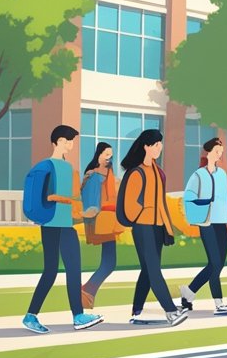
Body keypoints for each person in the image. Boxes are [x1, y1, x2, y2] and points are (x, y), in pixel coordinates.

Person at [21, 125, 104, 333]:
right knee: (50, 271)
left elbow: (71, 198)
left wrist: (82, 212)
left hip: (65, 225)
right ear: (57, 141)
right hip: (52, 224)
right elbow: (50, 196)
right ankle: (31, 316)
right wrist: (71, 201)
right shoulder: (49, 166)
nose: (71, 145)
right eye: (67, 141)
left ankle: (78, 316)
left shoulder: (67, 167)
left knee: (73, 270)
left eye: (72, 141)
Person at [122, 129, 188, 326]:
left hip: (157, 227)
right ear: (146, 146)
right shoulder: (137, 172)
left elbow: (162, 203)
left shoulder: (158, 172)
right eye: (156, 144)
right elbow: (129, 205)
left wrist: (167, 228)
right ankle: (170, 311)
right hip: (143, 227)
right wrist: (144, 210)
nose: (159, 148)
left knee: (148, 270)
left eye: (160, 144)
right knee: (153, 269)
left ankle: (137, 310)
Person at [181, 138, 227, 316]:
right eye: (216, 151)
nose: (219, 155)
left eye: (221, 152)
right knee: (215, 263)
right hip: (206, 222)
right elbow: (188, 197)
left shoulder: (223, 175)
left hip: (222, 222)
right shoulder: (198, 175)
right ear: (207, 153)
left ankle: (188, 293)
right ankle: (219, 303)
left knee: (218, 264)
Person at [80, 142, 126, 309]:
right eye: (106, 154)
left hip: (110, 220)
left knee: (109, 262)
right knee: (109, 262)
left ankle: (88, 291)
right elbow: (91, 201)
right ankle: (86, 291)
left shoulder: (109, 175)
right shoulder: (94, 175)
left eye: (111, 155)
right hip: (101, 221)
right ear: (98, 154)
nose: (109, 157)